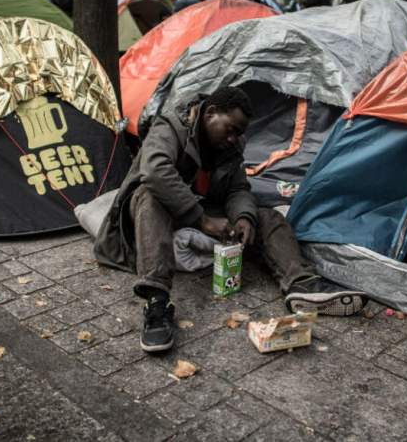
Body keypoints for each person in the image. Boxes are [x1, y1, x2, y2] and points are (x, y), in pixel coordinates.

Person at [94, 86, 369, 353]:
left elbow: (238, 188)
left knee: (267, 216)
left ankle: (302, 285)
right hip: (153, 212)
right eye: (231, 130)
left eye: (239, 133)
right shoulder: (171, 125)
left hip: (197, 211)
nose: (233, 139)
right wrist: (201, 219)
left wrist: (244, 217)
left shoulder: (231, 146)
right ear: (210, 113)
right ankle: (157, 303)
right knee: (151, 196)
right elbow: (155, 172)